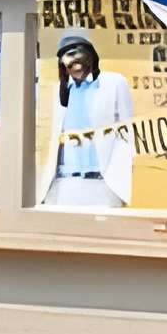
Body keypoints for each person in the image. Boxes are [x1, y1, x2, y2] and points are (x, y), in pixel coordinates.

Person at [42, 29, 136, 209]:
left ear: (90, 55)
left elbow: (128, 133)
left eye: (77, 52)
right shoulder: (59, 91)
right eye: (67, 56)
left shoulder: (114, 83)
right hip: (65, 184)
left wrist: (118, 178)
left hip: (103, 184)